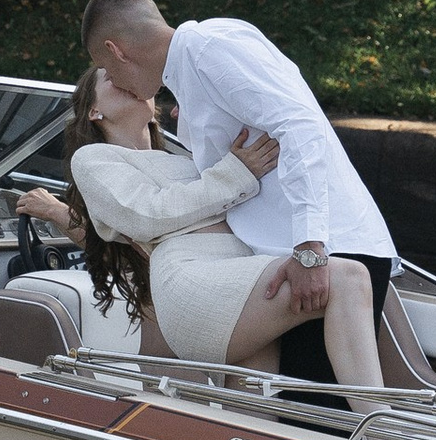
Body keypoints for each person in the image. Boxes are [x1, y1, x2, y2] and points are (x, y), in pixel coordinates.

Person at [75, 0, 393, 394]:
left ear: (116, 51)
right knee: (301, 421)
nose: (119, 82)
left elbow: (299, 127)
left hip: (320, 247)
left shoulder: (211, 48)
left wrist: (310, 247)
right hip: (285, 253)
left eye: (104, 67)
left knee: (322, 426)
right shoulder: (192, 74)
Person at [17, 67, 280, 352]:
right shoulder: (95, 162)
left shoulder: (186, 161)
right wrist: (57, 211)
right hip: (197, 296)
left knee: (266, 387)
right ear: (94, 111)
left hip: (240, 276)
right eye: (112, 77)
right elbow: (136, 225)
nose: (126, 78)